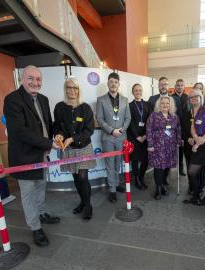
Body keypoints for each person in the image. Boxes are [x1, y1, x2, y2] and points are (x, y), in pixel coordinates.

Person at [3, 65, 61, 247]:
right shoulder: (12, 100)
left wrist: (56, 134)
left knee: (41, 186)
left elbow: (48, 124)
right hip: (24, 157)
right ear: (22, 78)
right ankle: (35, 228)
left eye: (38, 79)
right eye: (31, 78)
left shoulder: (43, 99)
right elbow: (19, 131)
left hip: (42, 155)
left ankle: (41, 213)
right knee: (28, 193)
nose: (35, 82)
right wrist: (47, 143)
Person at [53, 77, 95, 221]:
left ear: (79, 90)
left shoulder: (85, 108)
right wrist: (59, 135)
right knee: (76, 177)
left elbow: (89, 130)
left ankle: (88, 205)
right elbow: (57, 126)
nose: (72, 90)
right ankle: (83, 202)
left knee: (83, 177)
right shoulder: (59, 107)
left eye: (75, 88)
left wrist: (73, 138)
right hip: (68, 148)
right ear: (65, 89)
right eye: (69, 88)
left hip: (83, 147)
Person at [96, 72, 131, 203]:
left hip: (121, 137)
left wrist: (121, 130)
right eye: (111, 82)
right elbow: (99, 118)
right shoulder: (101, 100)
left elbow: (128, 118)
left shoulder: (125, 100)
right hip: (108, 137)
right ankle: (112, 190)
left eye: (115, 82)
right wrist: (111, 131)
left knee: (118, 162)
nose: (113, 84)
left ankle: (116, 183)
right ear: (108, 84)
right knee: (110, 163)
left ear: (118, 84)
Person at [146, 96, 181, 200]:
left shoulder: (174, 116)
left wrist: (178, 141)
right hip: (157, 147)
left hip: (170, 146)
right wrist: (150, 144)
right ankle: (158, 188)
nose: (165, 105)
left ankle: (162, 185)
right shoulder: (153, 116)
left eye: (167, 103)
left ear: (171, 105)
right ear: (159, 105)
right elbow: (148, 130)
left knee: (166, 166)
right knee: (158, 168)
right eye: (162, 103)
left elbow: (178, 129)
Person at [127, 83, 152, 189]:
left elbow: (150, 120)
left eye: (140, 90)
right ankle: (136, 179)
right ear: (133, 92)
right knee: (135, 159)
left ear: (142, 91)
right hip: (134, 136)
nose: (138, 92)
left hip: (146, 136)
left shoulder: (147, 104)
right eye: (136, 90)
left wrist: (146, 135)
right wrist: (137, 136)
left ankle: (141, 177)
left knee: (146, 159)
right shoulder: (129, 105)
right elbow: (130, 122)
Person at [181, 89, 204, 196]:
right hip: (188, 144)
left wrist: (198, 140)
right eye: (191, 97)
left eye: (196, 96)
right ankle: (191, 186)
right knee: (190, 167)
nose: (193, 99)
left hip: (202, 144)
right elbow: (182, 129)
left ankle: (200, 186)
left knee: (200, 167)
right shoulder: (186, 113)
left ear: (201, 98)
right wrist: (188, 139)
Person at [172, 79, 189, 176]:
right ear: (175, 86)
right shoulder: (171, 98)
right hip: (173, 127)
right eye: (178, 85)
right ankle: (169, 168)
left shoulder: (187, 97)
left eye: (181, 85)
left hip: (186, 127)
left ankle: (181, 168)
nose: (179, 87)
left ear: (184, 86)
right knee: (173, 149)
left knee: (183, 149)